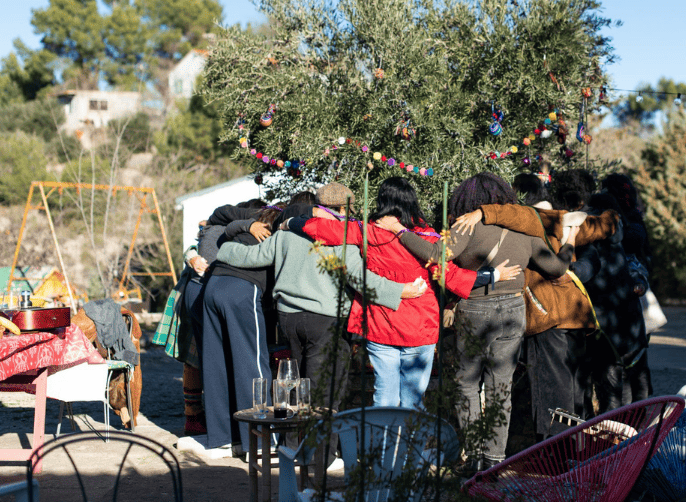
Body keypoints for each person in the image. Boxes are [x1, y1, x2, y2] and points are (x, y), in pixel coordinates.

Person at [376, 172, 576, 471]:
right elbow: (557, 268)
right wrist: (570, 240)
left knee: (467, 384)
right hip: (513, 311)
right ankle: (495, 460)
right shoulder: (525, 231)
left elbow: (434, 254)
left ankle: (474, 458)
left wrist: (400, 231)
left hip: (476, 309)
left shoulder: (467, 225)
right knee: (501, 388)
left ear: (467, 199)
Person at [216, 193, 426, 467]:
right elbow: (359, 278)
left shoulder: (285, 234)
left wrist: (222, 249)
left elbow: (249, 256)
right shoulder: (340, 238)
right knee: (325, 393)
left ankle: (293, 449)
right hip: (327, 320)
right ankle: (320, 458)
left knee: (298, 389)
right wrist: (400, 291)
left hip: (289, 319)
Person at [284, 178, 519, 410]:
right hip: (419, 329)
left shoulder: (365, 231)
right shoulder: (427, 239)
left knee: (384, 398)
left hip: (381, 326)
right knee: (413, 401)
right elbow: (452, 277)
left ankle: (385, 448)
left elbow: (322, 229)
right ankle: (413, 449)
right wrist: (493, 275)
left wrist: (290, 221)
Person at [451, 188, 620, 438]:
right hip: (574, 316)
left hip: (547, 317)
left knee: (552, 392)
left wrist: (481, 212)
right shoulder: (560, 222)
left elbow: (520, 214)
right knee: (573, 390)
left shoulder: (530, 219)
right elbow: (598, 227)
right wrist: (613, 217)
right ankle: (573, 452)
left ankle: (553, 455)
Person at [190, 204, 278, 458]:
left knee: (217, 365)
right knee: (253, 365)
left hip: (212, 287)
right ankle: (260, 444)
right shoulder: (279, 229)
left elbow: (221, 218)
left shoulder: (242, 225)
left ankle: (222, 440)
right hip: (242, 289)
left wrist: (245, 225)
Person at [601, 173, 655, 402]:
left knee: (625, 360)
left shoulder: (625, 223)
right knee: (637, 358)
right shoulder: (635, 218)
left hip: (626, 292)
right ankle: (641, 411)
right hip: (638, 290)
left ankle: (632, 413)